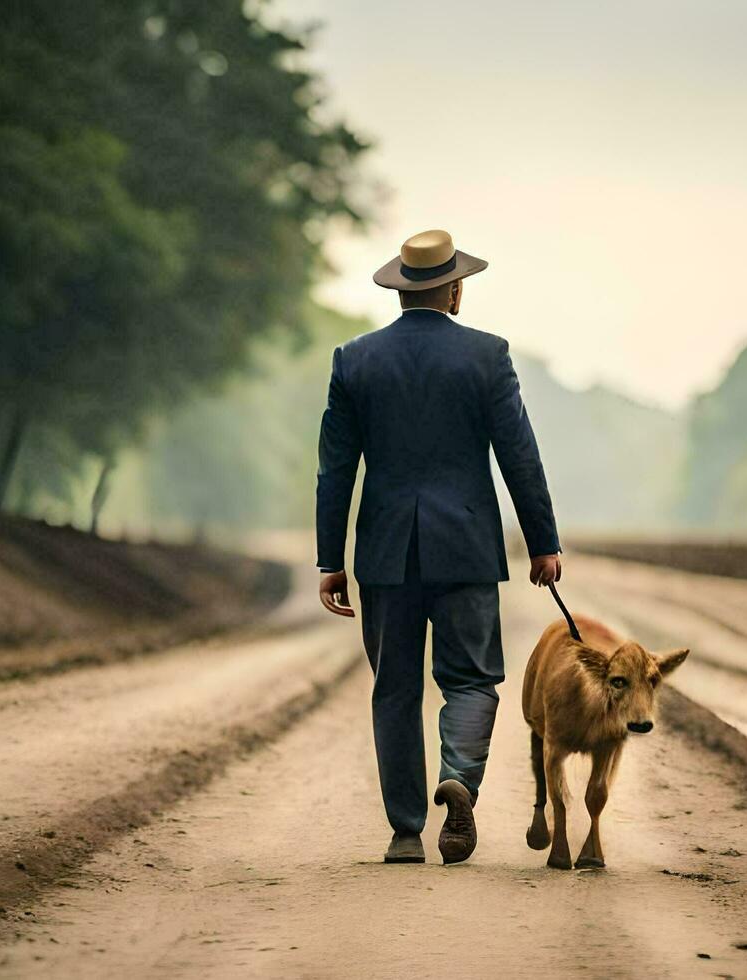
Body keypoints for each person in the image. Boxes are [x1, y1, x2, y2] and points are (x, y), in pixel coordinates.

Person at [315, 228, 562, 865]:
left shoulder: (355, 360)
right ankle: (461, 782)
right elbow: (519, 456)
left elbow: (336, 469)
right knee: (473, 681)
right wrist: (542, 543)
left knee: (394, 688)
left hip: (386, 554)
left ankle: (404, 831)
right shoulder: (487, 356)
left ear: (401, 290)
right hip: (467, 550)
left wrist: (329, 560)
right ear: (452, 290)